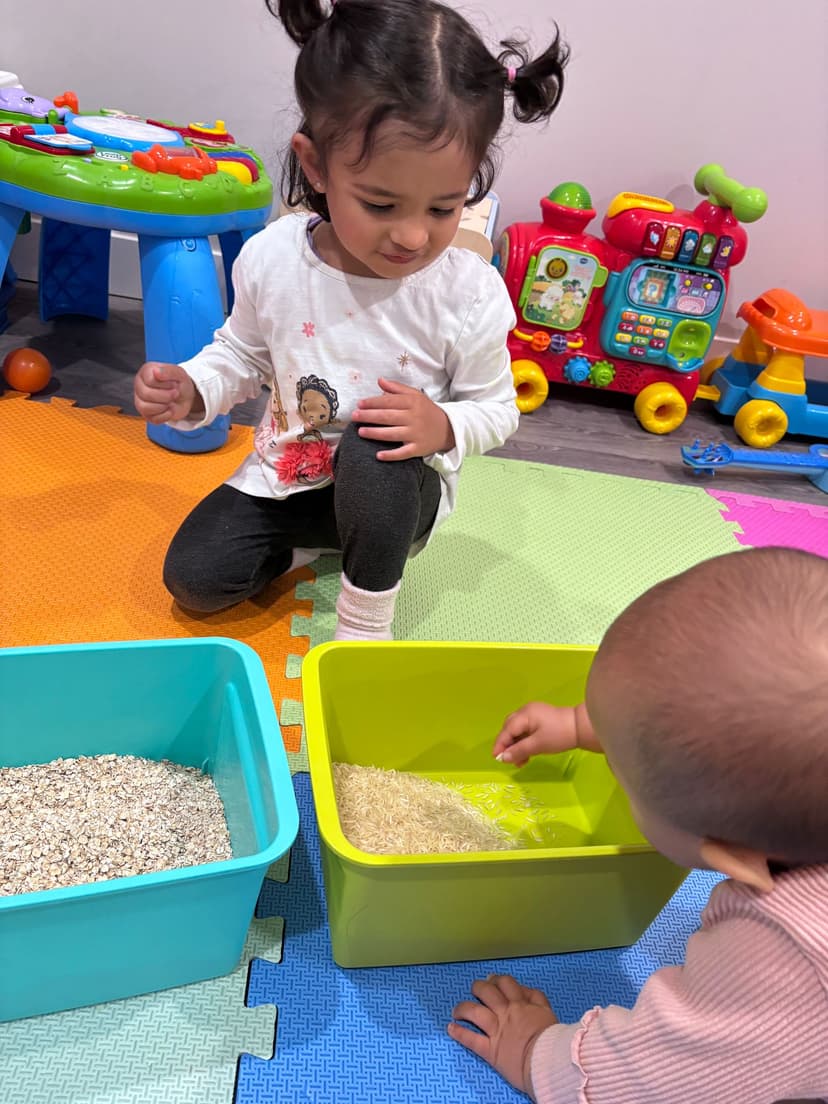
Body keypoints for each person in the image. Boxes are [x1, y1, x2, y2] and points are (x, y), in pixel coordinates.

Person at [132, 0, 569, 640]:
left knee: (373, 446)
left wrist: (444, 422)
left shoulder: (465, 290)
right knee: (196, 581)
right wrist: (195, 386)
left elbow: (498, 408)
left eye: (445, 207)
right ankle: (312, 547)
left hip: (396, 493)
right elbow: (243, 355)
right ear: (315, 165)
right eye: (381, 203)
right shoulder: (273, 258)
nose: (414, 235)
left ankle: (366, 620)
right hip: (289, 480)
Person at [449, 546, 828, 1103]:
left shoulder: (778, 958)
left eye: (625, 781)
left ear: (725, 852)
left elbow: (654, 1080)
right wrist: (583, 725)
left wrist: (533, 1050)